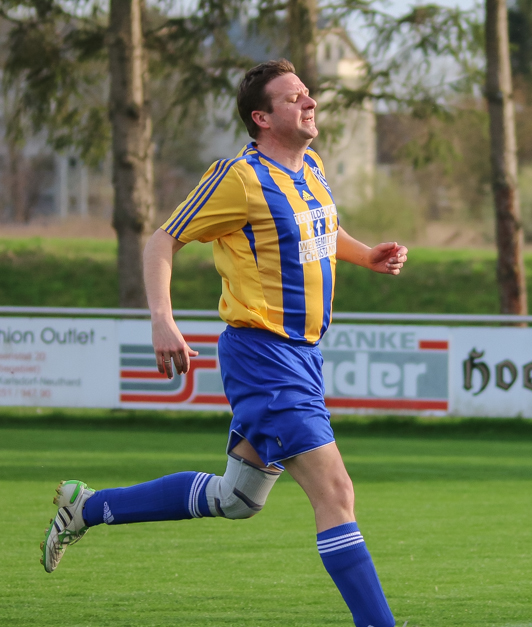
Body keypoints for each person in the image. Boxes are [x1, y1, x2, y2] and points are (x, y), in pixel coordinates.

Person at [41, 59, 406, 627]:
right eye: (294, 98)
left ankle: (88, 507)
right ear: (262, 118)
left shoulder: (311, 168)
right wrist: (161, 318)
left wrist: (366, 255)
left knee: (238, 499)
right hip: (265, 357)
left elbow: (320, 230)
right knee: (336, 493)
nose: (309, 102)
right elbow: (163, 240)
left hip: (304, 356)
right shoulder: (238, 176)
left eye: (307, 93)